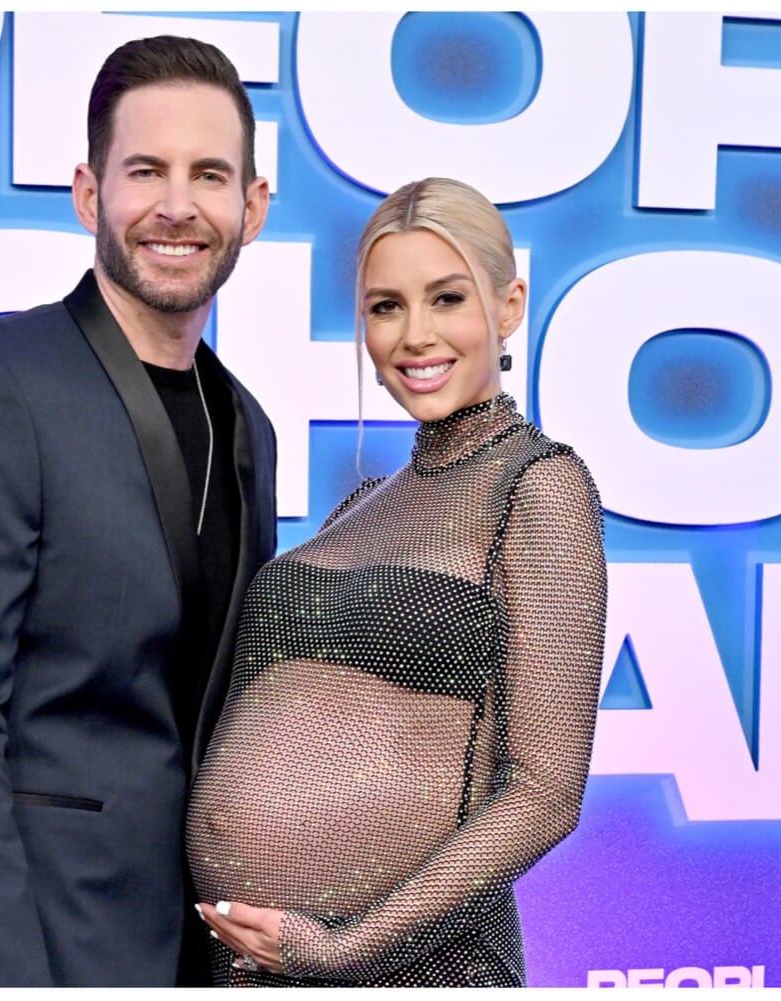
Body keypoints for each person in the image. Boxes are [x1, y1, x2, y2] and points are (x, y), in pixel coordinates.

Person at [0, 35, 276, 987]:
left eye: (209, 174)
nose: (177, 205)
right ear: (90, 194)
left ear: (252, 206)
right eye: (145, 170)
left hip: (174, 953)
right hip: (8, 949)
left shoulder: (249, 426)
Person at [187, 177, 607, 986]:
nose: (414, 335)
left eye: (446, 299)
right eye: (385, 306)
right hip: (254, 968)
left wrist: (348, 947)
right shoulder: (361, 504)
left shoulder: (538, 484)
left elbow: (547, 791)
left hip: (416, 969)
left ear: (510, 304)